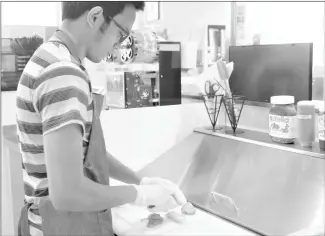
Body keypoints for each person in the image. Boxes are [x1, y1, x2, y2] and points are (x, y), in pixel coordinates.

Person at [15, 2, 187, 236]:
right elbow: (68, 192)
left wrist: (139, 181)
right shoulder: (63, 74)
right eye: (121, 33)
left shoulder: (49, 57)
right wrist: (139, 195)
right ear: (95, 17)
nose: (118, 45)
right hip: (60, 227)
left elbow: (81, 154)